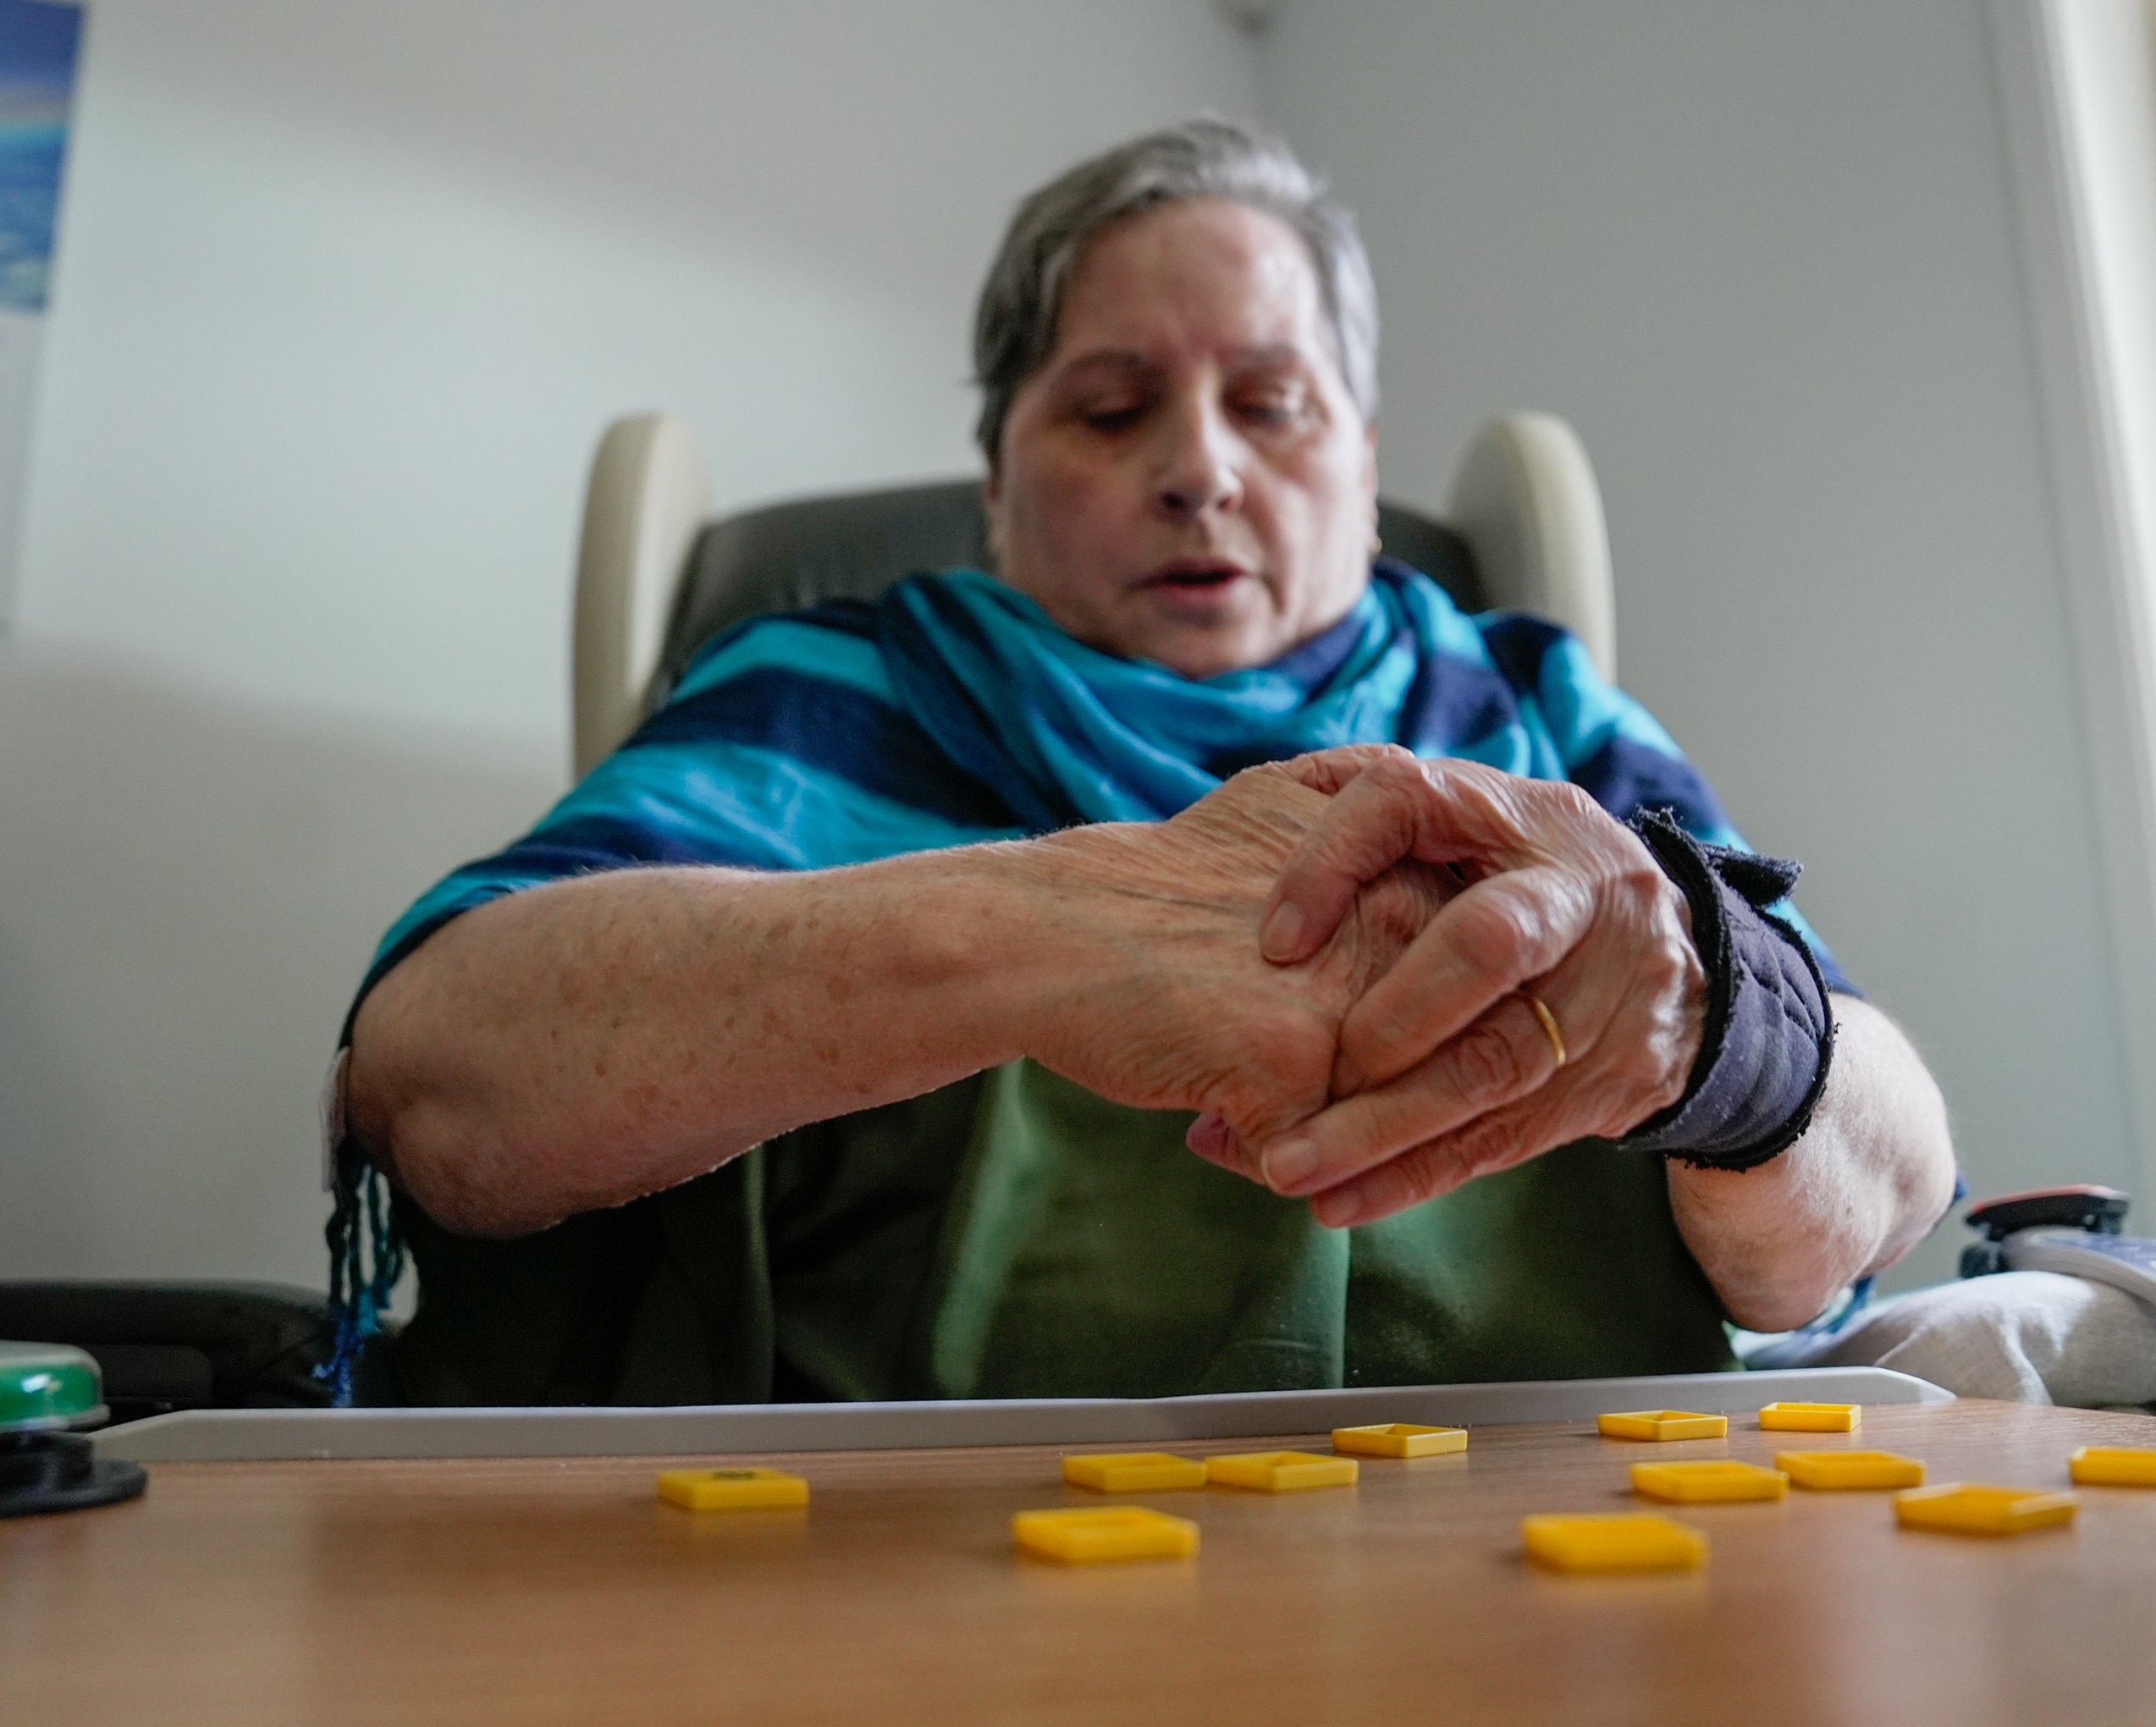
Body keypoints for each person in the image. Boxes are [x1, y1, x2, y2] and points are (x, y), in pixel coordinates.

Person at [326, 119, 1955, 1405]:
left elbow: (1879, 1194)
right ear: (995, 485)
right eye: (1111, 410)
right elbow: (434, 1081)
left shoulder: (1533, 711)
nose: (1199, 472)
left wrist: (1722, 1029)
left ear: (1365, 467)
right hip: (912, 1585)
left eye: (1273, 405)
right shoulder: (838, 690)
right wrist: (1046, 930)